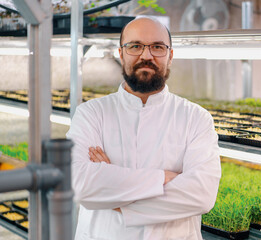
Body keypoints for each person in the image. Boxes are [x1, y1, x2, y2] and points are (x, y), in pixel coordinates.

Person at [66, 16, 221, 240]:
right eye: (135, 46)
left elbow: (201, 195)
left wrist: (114, 195)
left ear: (170, 56)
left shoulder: (196, 118)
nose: (146, 55)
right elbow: (79, 184)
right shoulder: (91, 114)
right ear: (121, 54)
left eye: (157, 47)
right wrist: (165, 178)